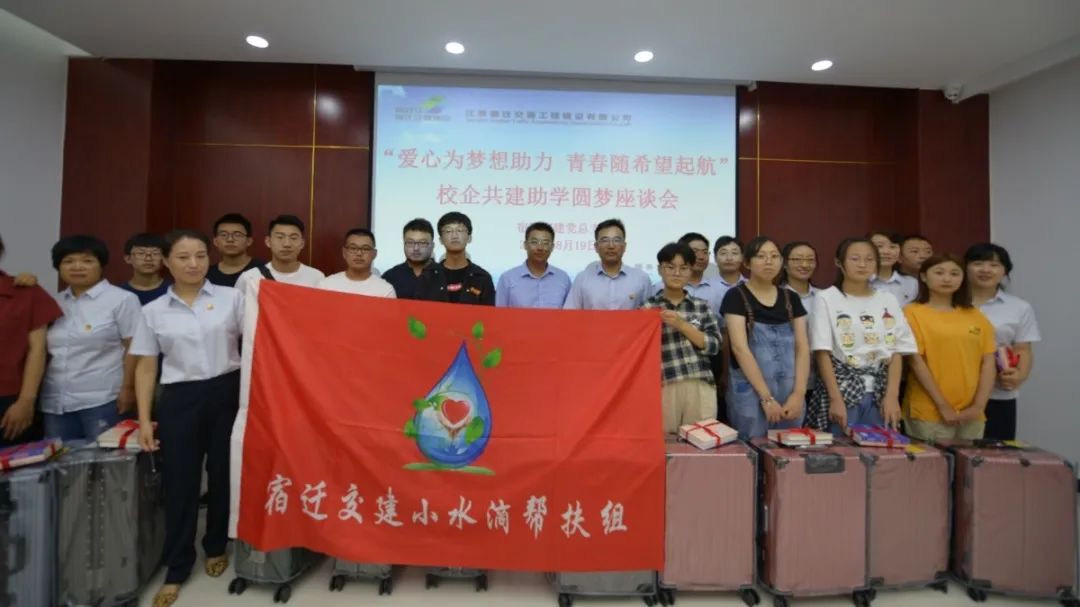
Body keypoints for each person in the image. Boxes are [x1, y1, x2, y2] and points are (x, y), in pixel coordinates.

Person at [130, 230, 243, 607]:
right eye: (183, 257)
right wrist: (144, 420)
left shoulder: (231, 298)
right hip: (179, 398)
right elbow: (146, 367)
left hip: (227, 392)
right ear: (166, 262)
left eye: (200, 256)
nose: (193, 264)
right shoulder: (153, 311)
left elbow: (261, 339)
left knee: (224, 475)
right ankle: (177, 566)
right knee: (180, 482)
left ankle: (216, 546)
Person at [808, 238, 917, 434]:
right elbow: (822, 352)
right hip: (843, 390)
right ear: (839, 262)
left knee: (879, 448)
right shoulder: (826, 298)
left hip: (880, 392)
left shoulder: (887, 299)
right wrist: (835, 398)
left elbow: (896, 350)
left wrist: (892, 396)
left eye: (869, 259)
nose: (862, 264)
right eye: (855, 258)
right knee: (841, 449)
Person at [40, 236, 141, 441]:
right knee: (59, 460)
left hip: (104, 400)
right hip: (55, 401)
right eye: (68, 261)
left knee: (105, 460)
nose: (77, 267)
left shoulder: (122, 300)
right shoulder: (53, 302)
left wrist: (128, 389)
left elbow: (135, 348)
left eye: (87, 261)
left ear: (101, 265)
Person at [722, 237, 810, 439]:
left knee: (789, 450)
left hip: (789, 391)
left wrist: (799, 394)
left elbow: (803, 348)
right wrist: (766, 398)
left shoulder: (791, 298)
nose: (768, 261)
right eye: (761, 256)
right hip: (751, 391)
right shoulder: (736, 296)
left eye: (774, 256)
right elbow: (740, 349)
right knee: (752, 447)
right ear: (747, 263)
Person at [903, 254, 996, 441]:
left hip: (972, 414)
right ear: (923, 276)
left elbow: (988, 361)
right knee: (931, 460)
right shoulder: (912, 312)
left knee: (970, 460)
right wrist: (943, 406)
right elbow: (915, 361)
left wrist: (978, 406)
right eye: (939, 273)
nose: (947, 279)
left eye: (955, 274)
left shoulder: (975, 315)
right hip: (929, 411)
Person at [642, 242, 721, 433]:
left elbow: (715, 345)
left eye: (683, 268)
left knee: (701, 441)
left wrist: (682, 325)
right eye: (670, 267)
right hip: (664, 385)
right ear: (660, 270)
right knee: (665, 443)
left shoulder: (701, 306)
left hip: (700, 384)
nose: (677, 273)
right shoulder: (647, 309)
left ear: (691, 271)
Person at [965, 243, 1040, 440]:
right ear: (965, 267)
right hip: (955, 392)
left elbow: (1023, 348)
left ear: (1005, 271)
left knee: (997, 452)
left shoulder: (1019, 307)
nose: (985, 270)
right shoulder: (950, 304)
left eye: (994, 265)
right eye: (978, 263)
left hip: (998, 393)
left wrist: (1019, 375)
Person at [0, 234, 63, 446]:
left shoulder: (25, 292)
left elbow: (37, 350)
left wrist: (26, 401)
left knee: (15, 464)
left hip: (10, 400)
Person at [563, 218, 650, 310]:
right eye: (605, 240)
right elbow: (570, 314)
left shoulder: (641, 279)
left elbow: (651, 314)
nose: (611, 246)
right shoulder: (582, 279)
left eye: (616, 240)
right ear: (596, 247)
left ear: (624, 246)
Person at [415, 212, 495, 305]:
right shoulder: (427, 276)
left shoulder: (482, 278)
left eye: (460, 230)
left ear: (469, 238)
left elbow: (489, 313)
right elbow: (418, 311)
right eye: (448, 231)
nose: (454, 236)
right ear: (441, 239)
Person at [234, 214, 325, 297]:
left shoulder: (316, 277)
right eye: (280, 237)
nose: (287, 244)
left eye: (293, 238)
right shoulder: (250, 278)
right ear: (268, 241)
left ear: (302, 243)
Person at [495, 221, 571, 308]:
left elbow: (570, 313)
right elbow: (499, 313)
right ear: (525, 245)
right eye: (534, 242)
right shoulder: (507, 279)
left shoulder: (563, 279)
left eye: (545, 243)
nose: (540, 248)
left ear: (552, 247)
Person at [649, 232, 725, 315]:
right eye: (695, 251)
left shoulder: (719, 289)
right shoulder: (657, 289)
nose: (701, 257)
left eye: (705, 252)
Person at [318, 228, 396, 297]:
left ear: (374, 254)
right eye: (353, 248)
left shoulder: (385, 290)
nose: (359, 253)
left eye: (365, 249)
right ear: (344, 252)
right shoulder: (325, 286)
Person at [382, 218, 436, 300]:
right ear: (404, 244)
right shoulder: (390, 277)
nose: (416, 248)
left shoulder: (443, 274)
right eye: (410, 242)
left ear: (432, 245)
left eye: (422, 243)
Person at [206, 213, 264, 288]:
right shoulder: (206, 274)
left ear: (249, 241)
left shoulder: (263, 270)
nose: (230, 239)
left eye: (237, 235)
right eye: (223, 235)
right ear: (215, 241)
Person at [119, 233, 170, 305]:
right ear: (128, 258)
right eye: (141, 253)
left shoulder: (173, 291)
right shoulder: (119, 293)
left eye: (155, 253)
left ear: (164, 259)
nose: (148, 259)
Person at [869, 230, 918, 305]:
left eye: (892, 247)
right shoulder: (859, 282)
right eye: (879, 246)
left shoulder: (911, 283)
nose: (886, 252)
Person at [780, 241, 820, 313]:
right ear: (784, 264)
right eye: (797, 259)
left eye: (810, 259)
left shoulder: (824, 296)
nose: (805, 265)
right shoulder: (775, 296)